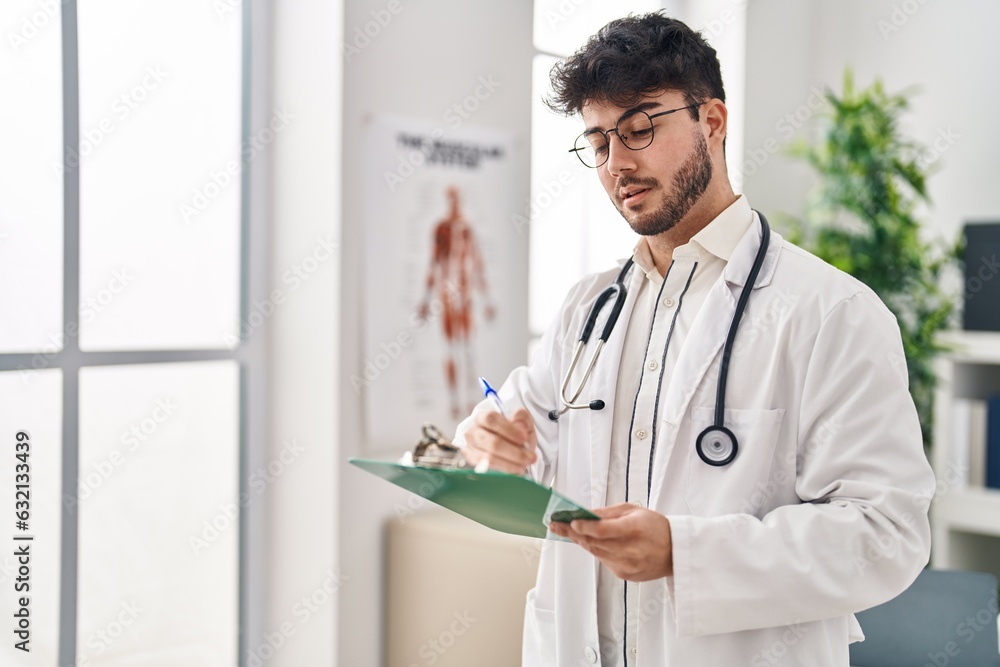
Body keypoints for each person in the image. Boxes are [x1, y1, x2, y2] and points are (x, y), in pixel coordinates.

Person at [453, 12, 935, 667]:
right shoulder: (587, 308)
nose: (617, 163)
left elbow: (887, 533)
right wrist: (492, 441)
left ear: (712, 121)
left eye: (640, 129)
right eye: (597, 143)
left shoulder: (830, 312)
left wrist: (685, 552)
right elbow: (524, 436)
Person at [418, 185, 495, 418]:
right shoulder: (441, 229)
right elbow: (433, 263)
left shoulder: (466, 229)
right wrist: (425, 299)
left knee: (468, 348)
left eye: (457, 198)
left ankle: (471, 400)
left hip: (465, 293)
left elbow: (477, 261)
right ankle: (453, 400)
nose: (454, 202)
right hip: (447, 294)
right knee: (451, 348)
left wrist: (486, 299)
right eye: (451, 198)